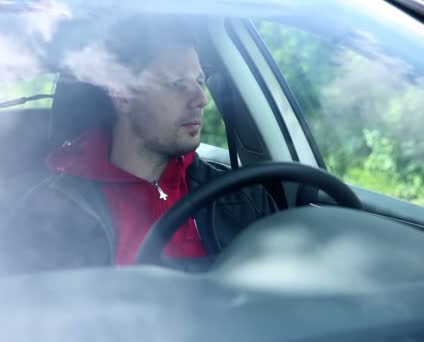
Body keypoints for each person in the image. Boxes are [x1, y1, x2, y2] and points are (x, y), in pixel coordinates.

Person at [16, 16, 276, 271]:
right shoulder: (50, 214)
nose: (201, 99)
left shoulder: (245, 197)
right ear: (123, 96)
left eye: (199, 81)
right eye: (177, 84)